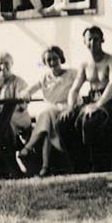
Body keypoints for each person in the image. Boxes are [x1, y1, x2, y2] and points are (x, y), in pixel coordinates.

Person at [60, 26, 112, 172]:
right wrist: (70, 107)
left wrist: (98, 104)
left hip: (109, 100)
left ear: (102, 40)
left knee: (91, 118)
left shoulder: (111, 60)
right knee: (64, 119)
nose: (93, 43)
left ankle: (99, 165)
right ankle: (79, 165)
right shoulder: (84, 64)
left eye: (96, 39)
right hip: (92, 99)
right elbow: (75, 88)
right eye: (89, 40)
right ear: (84, 42)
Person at [16, 46, 77, 177]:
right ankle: (45, 166)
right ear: (45, 62)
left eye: (55, 58)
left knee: (46, 114)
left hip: (67, 107)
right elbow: (28, 90)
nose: (52, 62)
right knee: (48, 121)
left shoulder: (72, 73)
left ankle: (28, 147)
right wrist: (25, 94)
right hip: (51, 111)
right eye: (48, 59)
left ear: (61, 58)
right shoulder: (44, 78)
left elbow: (85, 80)